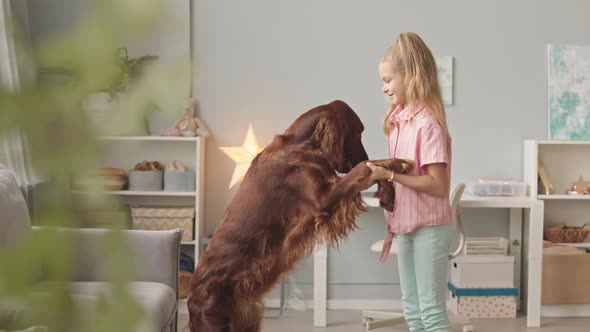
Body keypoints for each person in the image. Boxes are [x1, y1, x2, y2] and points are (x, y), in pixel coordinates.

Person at [366, 32, 453, 332]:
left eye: (388, 80)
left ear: (410, 75)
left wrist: (389, 175)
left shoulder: (428, 125)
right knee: (413, 310)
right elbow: (405, 174)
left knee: (430, 311)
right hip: (405, 225)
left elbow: (437, 185)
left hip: (429, 226)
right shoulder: (398, 123)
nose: (383, 88)